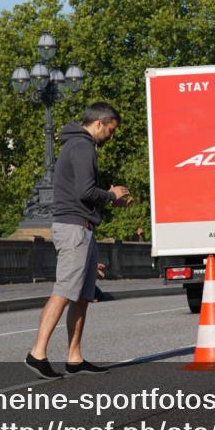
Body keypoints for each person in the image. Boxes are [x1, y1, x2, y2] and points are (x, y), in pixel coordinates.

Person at [26, 103, 131, 379]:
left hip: (83, 229)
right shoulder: (82, 147)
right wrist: (112, 196)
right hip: (74, 229)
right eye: (110, 130)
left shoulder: (78, 145)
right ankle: (37, 354)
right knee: (63, 292)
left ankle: (75, 358)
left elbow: (81, 191)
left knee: (83, 296)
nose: (111, 136)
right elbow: (85, 191)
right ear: (99, 123)